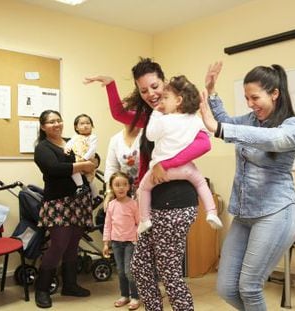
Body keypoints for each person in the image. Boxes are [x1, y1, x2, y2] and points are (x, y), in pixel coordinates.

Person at [84, 57, 211, 310]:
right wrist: (110, 85)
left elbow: (204, 143)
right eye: (144, 90)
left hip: (175, 201)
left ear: (164, 82)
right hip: (154, 202)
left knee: (169, 273)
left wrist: (167, 164)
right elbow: (120, 113)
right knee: (140, 267)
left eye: (155, 87)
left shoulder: (181, 113)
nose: (151, 94)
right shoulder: (153, 117)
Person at [199, 61, 295, 310]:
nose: (250, 104)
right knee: (226, 288)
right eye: (246, 98)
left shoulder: (294, 127)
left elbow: (272, 139)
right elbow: (226, 122)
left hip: (276, 212)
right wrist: (212, 92)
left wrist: (220, 129)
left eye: (255, 97)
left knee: (249, 287)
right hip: (244, 214)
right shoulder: (249, 120)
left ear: (275, 93)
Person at [137, 75, 223, 234]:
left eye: (165, 98)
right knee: (201, 184)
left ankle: (144, 220)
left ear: (178, 101)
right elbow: (207, 135)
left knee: (143, 189)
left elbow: (150, 135)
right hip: (186, 169)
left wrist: (156, 114)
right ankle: (211, 212)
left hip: (162, 170)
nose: (161, 102)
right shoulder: (194, 120)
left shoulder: (164, 120)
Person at [33, 110, 96, 308]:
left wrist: (92, 163)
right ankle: (42, 289)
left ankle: (70, 285)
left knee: (73, 243)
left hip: (79, 200)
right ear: (43, 127)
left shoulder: (71, 140)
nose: (56, 124)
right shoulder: (42, 148)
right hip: (57, 202)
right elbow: (54, 168)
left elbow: (93, 158)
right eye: (51, 122)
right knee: (59, 244)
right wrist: (83, 165)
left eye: (59, 120)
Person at [102, 171, 141, 310]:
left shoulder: (133, 204)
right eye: (117, 185)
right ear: (112, 187)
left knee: (129, 271)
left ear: (129, 187)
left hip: (131, 242)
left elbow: (139, 223)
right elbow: (107, 225)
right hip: (116, 243)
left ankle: (135, 296)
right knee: (120, 270)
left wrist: (137, 239)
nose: (121, 188)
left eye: (124, 184)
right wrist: (106, 243)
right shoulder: (111, 205)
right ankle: (124, 295)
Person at [65, 113, 101, 205]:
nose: (85, 125)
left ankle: (96, 196)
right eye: (82, 124)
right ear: (76, 127)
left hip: (88, 160)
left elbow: (92, 149)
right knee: (74, 171)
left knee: (90, 179)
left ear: (92, 126)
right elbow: (69, 143)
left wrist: (85, 159)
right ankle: (80, 186)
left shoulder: (92, 137)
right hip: (78, 160)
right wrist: (67, 148)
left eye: (88, 123)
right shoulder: (75, 137)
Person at [103, 123, 142, 208]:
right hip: (124, 190)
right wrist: (109, 192)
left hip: (145, 189)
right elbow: (111, 167)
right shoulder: (115, 140)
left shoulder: (146, 136)